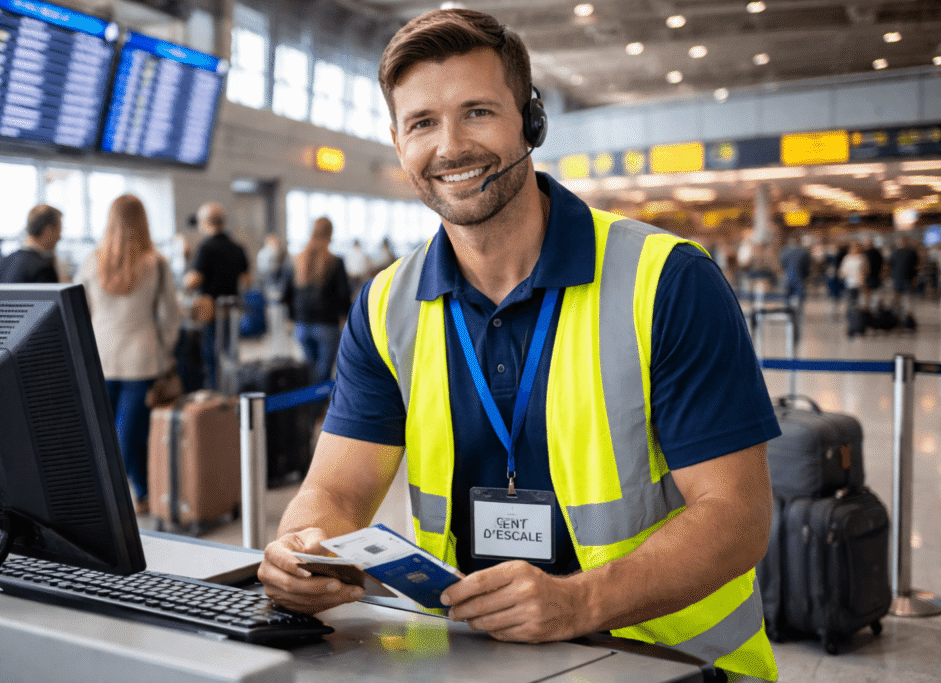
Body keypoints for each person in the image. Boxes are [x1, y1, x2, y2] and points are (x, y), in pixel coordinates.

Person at [257, 9, 779, 682]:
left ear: (530, 122)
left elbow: (737, 514)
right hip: (473, 652)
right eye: (422, 123)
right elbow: (335, 487)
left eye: (477, 112)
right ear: (396, 141)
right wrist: (304, 548)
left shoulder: (668, 281)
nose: (449, 146)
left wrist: (579, 601)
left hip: (669, 659)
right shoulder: (387, 305)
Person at [74, 195, 182, 513]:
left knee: (106, 428)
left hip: (100, 356)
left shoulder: (92, 261)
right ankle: (128, 494)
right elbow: (170, 316)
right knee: (131, 430)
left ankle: (140, 493)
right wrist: (166, 349)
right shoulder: (157, 263)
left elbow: (81, 310)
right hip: (142, 356)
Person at [183, 202, 251, 389]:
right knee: (231, 351)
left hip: (211, 309)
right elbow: (247, 280)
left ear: (205, 223)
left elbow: (194, 280)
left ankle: (215, 390)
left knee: (211, 353)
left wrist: (185, 271)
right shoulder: (237, 247)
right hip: (232, 308)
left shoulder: (205, 247)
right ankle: (234, 389)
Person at [282, 217, 352, 384]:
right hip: (327, 325)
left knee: (309, 370)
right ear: (330, 234)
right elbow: (344, 294)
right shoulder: (335, 261)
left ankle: (310, 407)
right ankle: (317, 408)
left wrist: (290, 318)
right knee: (323, 373)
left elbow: (285, 294)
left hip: (301, 325)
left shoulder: (296, 260)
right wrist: (345, 318)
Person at [0, 205, 64, 284]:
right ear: (48, 230)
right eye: (59, 231)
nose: (59, 237)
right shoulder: (44, 268)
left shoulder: (5, 262)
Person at [889, 236, 919, 315]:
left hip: (908, 278)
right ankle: (897, 316)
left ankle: (908, 317)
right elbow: (890, 265)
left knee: (908, 299)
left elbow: (916, 266)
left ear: (907, 242)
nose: (903, 243)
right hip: (897, 278)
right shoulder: (895, 252)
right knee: (896, 299)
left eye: (904, 241)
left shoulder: (912, 252)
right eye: (901, 241)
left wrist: (915, 277)